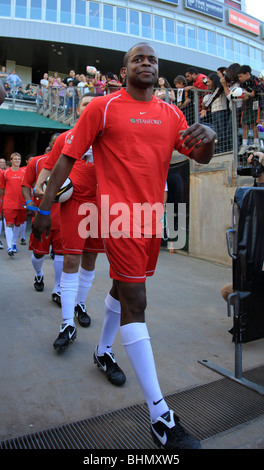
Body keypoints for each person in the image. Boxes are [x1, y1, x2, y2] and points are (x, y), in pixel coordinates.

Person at [32, 42, 215, 449]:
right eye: (138, 58)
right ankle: (160, 416)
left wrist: (210, 136)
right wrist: (43, 207)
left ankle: (102, 352)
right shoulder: (103, 107)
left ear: (157, 69)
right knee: (137, 301)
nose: (146, 63)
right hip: (116, 217)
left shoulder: (171, 113)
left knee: (121, 289)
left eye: (152, 59)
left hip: (152, 220)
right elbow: (66, 155)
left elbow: (200, 157)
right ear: (124, 68)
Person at [33, 94, 113, 357]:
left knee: (90, 258)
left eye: (94, 105)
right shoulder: (67, 137)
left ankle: (80, 304)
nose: (90, 108)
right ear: (77, 109)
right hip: (74, 202)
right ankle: (67, 324)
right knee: (71, 260)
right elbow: (49, 167)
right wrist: (39, 186)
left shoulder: (107, 137)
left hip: (101, 204)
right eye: (85, 104)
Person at [21, 135, 63, 300]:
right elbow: (25, 184)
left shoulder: (75, 162)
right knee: (38, 254)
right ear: (51, 144)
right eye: (56, 142)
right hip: (42, 216)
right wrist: (30, 202)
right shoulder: (37, 162)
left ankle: (58, 289)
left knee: (61, 255)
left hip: (63, 219)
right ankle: (38, 273)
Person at [0, 152, 26, 257]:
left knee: (18, 224)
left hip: (21, 203)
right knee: (9, 224)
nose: (17, 161)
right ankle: (10, 246)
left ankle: (14, 243)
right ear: (11, 160)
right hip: (9, 203)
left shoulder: (24, 173)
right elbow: (2, 188)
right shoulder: (5, 173)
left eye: (18, 159)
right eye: (15, 159)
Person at [200, 73, 228, 153]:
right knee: (218, 132)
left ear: (214, 81)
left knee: (222, 132)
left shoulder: (219, 88)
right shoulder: (213, 90)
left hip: (221, 110)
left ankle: (225, 148)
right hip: (214, 111)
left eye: (209, 82)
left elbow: (214, 97)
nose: (207, 84)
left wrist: (205, 107)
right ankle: (221, 149)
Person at [238, 65, 262, 155]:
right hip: (246, 105)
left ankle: (256, 143)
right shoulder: (242, 84)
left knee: (253, 124)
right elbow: (244, 94)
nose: (240, 78)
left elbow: (253, 94)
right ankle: (244, 144)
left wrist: (247, 94)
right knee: (244, 124)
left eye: (241, 76)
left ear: (247, 74)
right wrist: (244, 96)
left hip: (255, 104)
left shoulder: (254, 80)